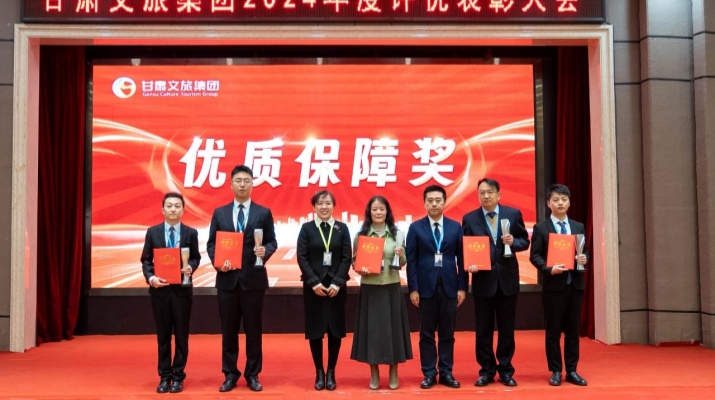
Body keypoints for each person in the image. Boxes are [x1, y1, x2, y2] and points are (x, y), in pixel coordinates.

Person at [206, 165, 277, 393]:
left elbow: (272, 242)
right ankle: (230, 374)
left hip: (253, 281)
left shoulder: (263, 213)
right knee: (228, 331)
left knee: (254, 331)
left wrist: (265, 251)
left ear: (252, 184)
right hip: (227, 281)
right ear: (231, 184)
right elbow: (211, 244)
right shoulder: (220, 213)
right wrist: (218, 262)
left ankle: (253, 374)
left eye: (247, 181)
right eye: (238, 180)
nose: (243, 184)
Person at [462, 178, 529, 387]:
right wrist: (470, 264)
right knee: (483, 330)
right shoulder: (469, 218)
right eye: (482, 192)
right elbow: (466, 249)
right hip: (483, 281)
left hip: (507, 280)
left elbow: (525, 241)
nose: (486, 196)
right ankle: (486, 371)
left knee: (507, 329)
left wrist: (513, 242)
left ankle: (506, 370)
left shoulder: (513, 214)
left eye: (490, 192)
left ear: (498, 194)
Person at [406, 185, 467, 389]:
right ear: (424, 203)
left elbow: (462, 259)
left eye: (438, 200)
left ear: (444, 202)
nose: (434, 204)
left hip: (450, 287)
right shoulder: (415, 228)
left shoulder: (455, 227)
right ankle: (429, 373)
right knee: (426, 333)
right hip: (424, 289)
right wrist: (413, 289)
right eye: (430, 200)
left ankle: (447, 372)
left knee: (447, 333)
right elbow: (412, 261)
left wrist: (462, 287)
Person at [140, 192, 201, 394]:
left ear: (183, 210)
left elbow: (196, 258)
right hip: (160, 292)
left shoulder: (191, 233)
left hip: (182, 292)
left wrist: (190, 267)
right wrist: (151, 278)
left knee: (182, 336)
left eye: (177, 206)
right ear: (163, 209)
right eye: (169, 206)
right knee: (163, 336)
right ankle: (164, 376)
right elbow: (146, 260)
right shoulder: (153, 232)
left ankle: (178, 376)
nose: (173, 209)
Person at [350, 196, 413, 390]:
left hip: (391, 286)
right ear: (369, 212)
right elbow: (354, 263)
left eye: (382, 209)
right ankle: (374, 373)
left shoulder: (397, 234)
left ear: (387, 212)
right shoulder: (361, 236)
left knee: (393, 331)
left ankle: (394, 371)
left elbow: (403, 262)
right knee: (372, 332)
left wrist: (401, 255)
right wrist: (360, 268)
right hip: (369, 288)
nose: (378, 212)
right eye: (375, 209)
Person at [529, 184, 589, 387]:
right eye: (556, 200)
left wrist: (584, 258)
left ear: (569, 202)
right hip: (553, 286)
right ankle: (555, 370)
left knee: (573, 332)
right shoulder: (541, 228)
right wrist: (548, 268)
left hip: (575, 285)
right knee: (553, 331)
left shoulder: (578, 227)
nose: (560, 203)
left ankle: (572, 370)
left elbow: (584, 252)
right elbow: (534, 256)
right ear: (549, 203)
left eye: (564, 199)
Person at [296, 190, 352, 391]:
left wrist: (337, 282)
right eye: (320, 203)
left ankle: (331, 372)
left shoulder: (342, 228)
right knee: (315, 331)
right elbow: (302, 257)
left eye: (328, 203)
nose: (324, 207)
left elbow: (346, 257)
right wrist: (313, 282)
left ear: (333, 206)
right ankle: (319, 372)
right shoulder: (307, 229)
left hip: (336, 288)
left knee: (335, 330)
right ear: (314, 207)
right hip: (314, 289)